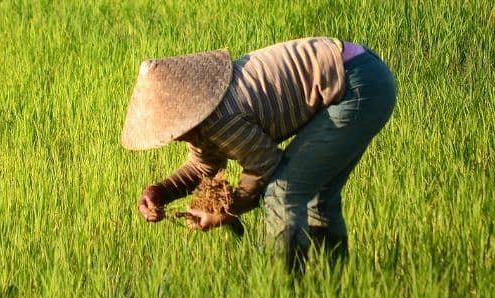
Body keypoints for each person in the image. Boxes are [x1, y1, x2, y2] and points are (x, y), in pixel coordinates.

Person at [120, 37, 396, 271]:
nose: (173, 136)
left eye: (171, 129)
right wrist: (160, 192)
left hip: (356, 86)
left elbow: (265, 165)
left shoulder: (222, 117)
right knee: (316, 193)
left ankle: (284, 290)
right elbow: (203, 166)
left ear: (185, 114)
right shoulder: (205, 112)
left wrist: (224, 211)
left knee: (283, 191)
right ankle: (333, 285)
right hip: (355, 73)